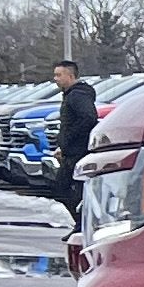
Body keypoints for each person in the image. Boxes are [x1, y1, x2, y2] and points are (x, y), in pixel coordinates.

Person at [49, 60, 95, 206]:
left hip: (78, 152)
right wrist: (62, 146)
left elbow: (88, 117)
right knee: (64, 190)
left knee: (66, 190)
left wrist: (68, 140)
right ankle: (80, 222)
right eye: (55, 75)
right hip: (70, 152)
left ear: (70, 76)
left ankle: (81, 222)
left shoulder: (77, 95)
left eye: (58, 75)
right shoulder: (70, 95)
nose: (55, 79)